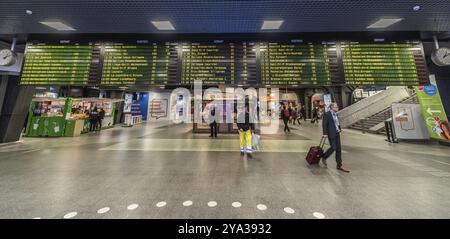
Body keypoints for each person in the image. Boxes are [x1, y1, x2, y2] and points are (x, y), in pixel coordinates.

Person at [322, 102, 349, 173]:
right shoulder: (327, 114)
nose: (337, 108)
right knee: (333, 147)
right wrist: (325, 133)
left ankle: (339, 165)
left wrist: (339, 128)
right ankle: (324, 156)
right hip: (331, 133)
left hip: (337, 133)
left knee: (339, 149)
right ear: (332, 107)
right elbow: (324, 124)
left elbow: (336, 122)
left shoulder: (336, 114)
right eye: (336, 107)